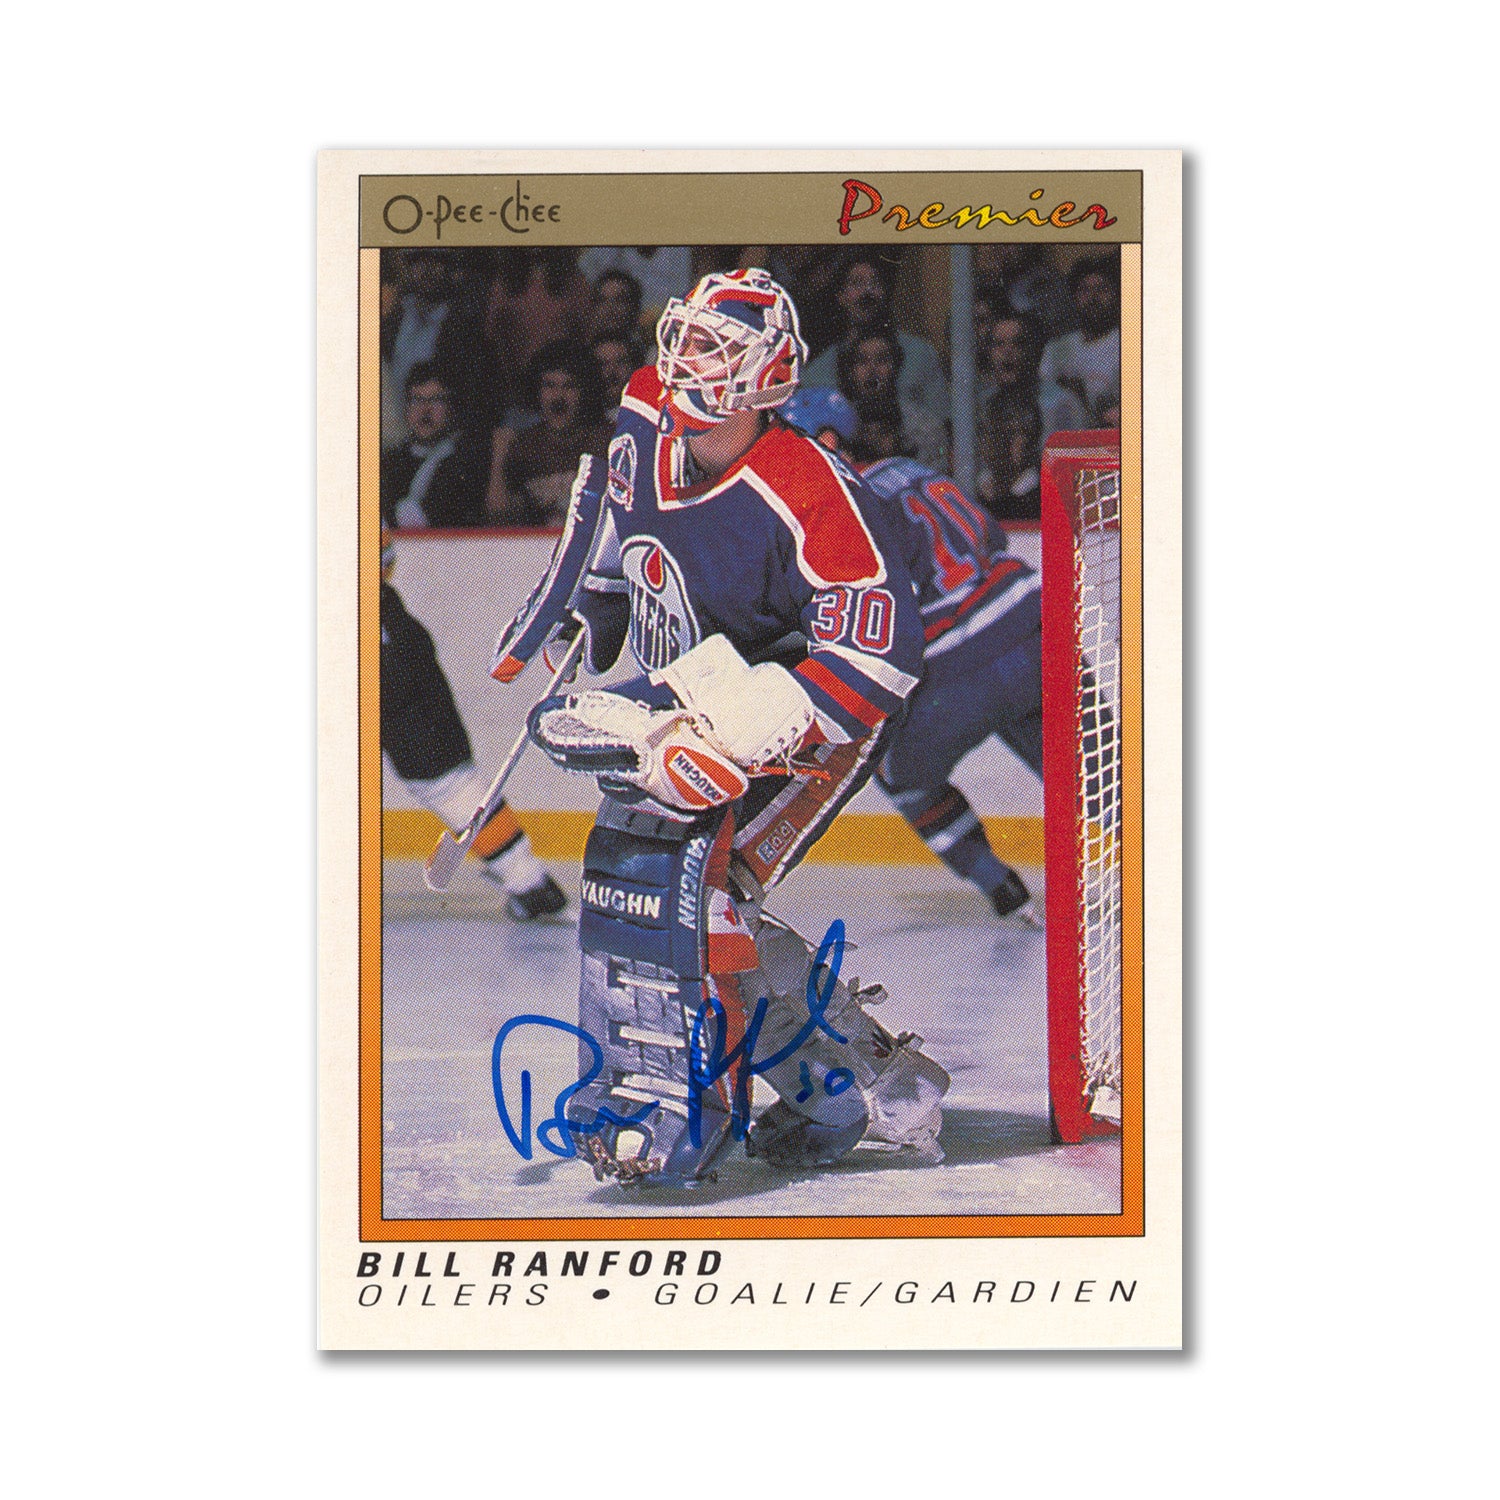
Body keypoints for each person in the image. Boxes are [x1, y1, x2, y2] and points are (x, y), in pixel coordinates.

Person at [492, 269, 949, 1186]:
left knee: (708, 898)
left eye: (714, 346)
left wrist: (743, 733)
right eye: (686, 337)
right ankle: (743, 1086)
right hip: (698, 686)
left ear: (767, 374)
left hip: (812, 708)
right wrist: (600, 598)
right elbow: (621, 509)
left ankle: (874, 1087)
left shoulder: (810, 487)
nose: (685, 359)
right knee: (641, 882)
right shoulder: (644, 408)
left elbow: (879, 654)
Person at [781, 385, 1043, 922]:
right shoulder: (911, 469)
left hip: (954, 674)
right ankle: (1155, 863)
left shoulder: (840, 507)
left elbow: (877, 620)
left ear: (826, 442)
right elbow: (990, 536)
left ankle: (999, 886)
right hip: (1034, 627)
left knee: (899, 774)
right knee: (1089, 769)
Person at [379, 529, 566, 920]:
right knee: (455, 785)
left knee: (450, 785)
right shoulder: (387, 603)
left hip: (407, 696)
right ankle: (527, 878)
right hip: (418, 692)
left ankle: (527, 880)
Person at [801, 254, 950, 439]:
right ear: (841, 296)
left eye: (875, 283)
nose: (867, 292)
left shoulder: (921, 355)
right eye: (857, 283)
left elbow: (943, 424)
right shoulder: (817, 374)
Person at [485, 341, 611, 526]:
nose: (558, 397)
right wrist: (499, 458)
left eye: (569, 386)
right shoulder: (525, 446)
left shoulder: (607, 440)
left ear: (584, 392)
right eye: (549, 386)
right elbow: (498, 518)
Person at [380, 363, 491, 529]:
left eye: (436, 400)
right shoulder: (389, 462)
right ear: (406, 408)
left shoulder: (465, 462)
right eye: (417, 400)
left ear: (451, 408)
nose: (425, 410)